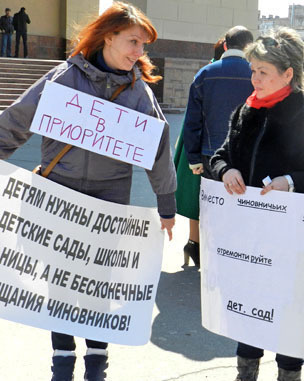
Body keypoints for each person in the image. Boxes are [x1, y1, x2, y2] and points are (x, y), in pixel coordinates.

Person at [0, 2, 176, 380]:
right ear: (108, 36)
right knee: (60, 283)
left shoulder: (138, 93)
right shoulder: (63, 79)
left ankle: (97, 362)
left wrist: (166, 203)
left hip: (109, 201)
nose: (138, 53)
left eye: (142, 46)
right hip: (57, 195)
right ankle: (62, 362)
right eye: (133, 42)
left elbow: (158, 150)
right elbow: (17, 120)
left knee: (97, 285)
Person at [210, 27, 304, 381]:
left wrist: (291, 183)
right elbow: (220, 155)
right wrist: (225, 170)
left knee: (288, 317)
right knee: (248, 314)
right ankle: (245, 375)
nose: (254, 79)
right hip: (246, 239)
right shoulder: (244, 112)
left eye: (262, 72)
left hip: (291, 245)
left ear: (287, 75)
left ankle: (289, 375)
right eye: (253, 71)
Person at [182, 25, 254, 267]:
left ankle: (210, 259)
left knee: (212, 210)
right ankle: (235, 260)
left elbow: (193, 121)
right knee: (242, 210)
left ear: (225, 45)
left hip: (210, 156)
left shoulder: (204, 74)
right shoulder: (257, 74)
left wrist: (193, 158)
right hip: (247, 158)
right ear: (250, 46)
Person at [173, 36, 227, 268]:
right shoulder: (227, 75)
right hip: (212, 148)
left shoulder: (205, 72)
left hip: (192, 145)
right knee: (214, 199)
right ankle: (207, 247)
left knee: (198, 197)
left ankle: (192, 243)